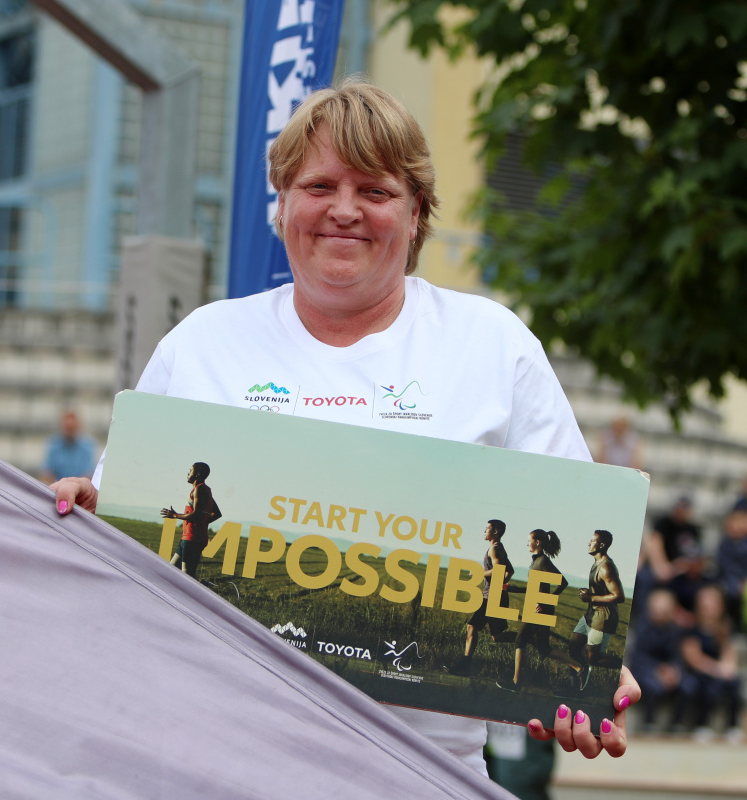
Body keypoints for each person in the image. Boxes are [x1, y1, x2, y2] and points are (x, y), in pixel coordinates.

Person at [51, 76, 639, 771]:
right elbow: (126, 544)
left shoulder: (492, 346)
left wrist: (585, 674)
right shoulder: (202, 343)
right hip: (211, 765)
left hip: (416, 773)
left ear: (416, 213)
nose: (344, 210)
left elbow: (567, 554)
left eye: (375, 191)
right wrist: (83, 512)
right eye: (320, 186)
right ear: (282, 203)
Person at [497, 529, 569, 693]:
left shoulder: (542, 561)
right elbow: (533, 588)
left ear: (537, 542)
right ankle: (579, 668)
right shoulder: (536, 561)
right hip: (538, 608)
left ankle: (516, 683)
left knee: (520, 640)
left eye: (529, 540)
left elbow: (563, 582)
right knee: (543, 648)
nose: (527, 543)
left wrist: (545, 601)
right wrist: (512, 588)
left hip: (540, 609)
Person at [446, 520, 513, 675]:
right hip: (495, 595)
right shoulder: (499, 548)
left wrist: (479, 573)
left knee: (472, 626)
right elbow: (509, 571)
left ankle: (464, 666)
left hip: (492, 597)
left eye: (487, 528)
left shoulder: (494, 549)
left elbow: (498, 570)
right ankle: (528, 639)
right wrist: (501, 584)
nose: (484, 531)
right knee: (497, 636)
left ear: (495, 532)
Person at [681, 584, 743, 741]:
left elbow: (729, 651)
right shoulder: (692, 629)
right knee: (710, 687)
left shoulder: (725, 628)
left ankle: (733, 726)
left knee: (735, 682)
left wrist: (729, 667)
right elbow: (694, 658)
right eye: (706, 605)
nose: (710, 609)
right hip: (700, 672)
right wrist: (717, 669)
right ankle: (702, 724)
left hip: (718, 671)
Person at [629, 587, 695, 733]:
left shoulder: (674, 630)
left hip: (667, 670)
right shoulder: (641, 628)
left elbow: (677, 655)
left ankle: (677, 723)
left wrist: (673, 670)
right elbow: (638, 658)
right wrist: (658, 669)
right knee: (654, 686)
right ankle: (648, 722)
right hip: (645, 671)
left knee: (688, 685)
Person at [569, 530, 626, 692]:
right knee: (573, 647)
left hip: (602, 618)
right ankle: (573, 687)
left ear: (601, 545)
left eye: (592, 540)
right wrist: (590, 594)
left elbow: (619, 596)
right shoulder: (597, 563)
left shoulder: (606, 567)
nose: (589, 543)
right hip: (590, 614)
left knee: (593, 659)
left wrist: (591, 597)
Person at [640, 495, 705, 617]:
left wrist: (681, 567)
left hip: (683, 570)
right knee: (645, 579)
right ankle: (643, 618)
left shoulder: (693, 529)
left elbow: (696, 556)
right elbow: (655, 544)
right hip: (662, 567)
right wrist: (663, 568)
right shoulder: (664, 523)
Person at [160, 462, 222, 578]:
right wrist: (202, 523)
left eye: (190, 471)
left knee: (187, 576)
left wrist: (175, 515)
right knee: (171, 571)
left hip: (193, 539)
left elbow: (196, 514)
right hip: (189, 537)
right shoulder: (204, 490)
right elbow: (216, 514)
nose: (188, 474)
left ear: (197, 474)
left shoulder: (200, 489)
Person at [39, 410, 96, 483]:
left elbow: (89, 475)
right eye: (68, 428)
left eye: (72, 427)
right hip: (56, 488)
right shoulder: (53, 445)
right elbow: (47, 473)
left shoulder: (87, 446)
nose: (70, 430)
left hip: (80, 488)